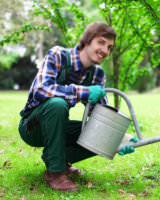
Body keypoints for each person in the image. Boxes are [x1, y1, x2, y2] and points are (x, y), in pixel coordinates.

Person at [18, 22, 136, 192]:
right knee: (57, 104)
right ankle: (55, 172)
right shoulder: (58, 55)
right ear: (87, 40)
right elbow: (41, 90)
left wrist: (119, 138)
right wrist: (83, 91)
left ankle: (57, 159)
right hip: (33, 126)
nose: (105, 50)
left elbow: (101, 116)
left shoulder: (97, 74)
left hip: (57, 126)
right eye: (101, 42)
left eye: (109, 47)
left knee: (102, 133)